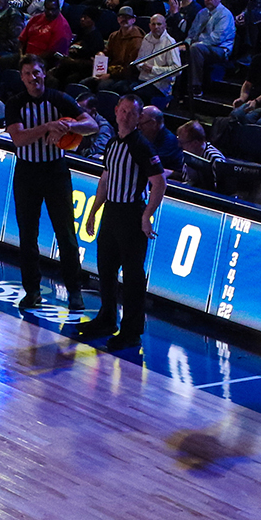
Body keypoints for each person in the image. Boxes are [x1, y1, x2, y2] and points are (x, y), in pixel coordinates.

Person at [74, 92, 166, 350]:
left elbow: (159, 182)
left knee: (133, 276)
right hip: (112, 212)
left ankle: (131, 331)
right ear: (115, 112)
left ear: (138, 118)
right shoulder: (113, 144)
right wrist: (94, 211)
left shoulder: (141, 146)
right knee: (105, 268)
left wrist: (146, 215)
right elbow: (106, 178)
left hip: (131, 214)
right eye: (122, 111)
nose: (125, 116)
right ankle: (107, 318)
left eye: (131, 113)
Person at [5, 55, 96, 312]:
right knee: (27, 235)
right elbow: (19, 139)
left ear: (43, 73)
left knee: (66, 234)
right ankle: (32, 291)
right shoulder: (16, 103)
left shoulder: (58, 99)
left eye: (36, 72)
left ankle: (75, 292)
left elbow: (92, 125)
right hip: (27, 172)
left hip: (55, 170)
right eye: (27, 74)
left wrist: (68, 126)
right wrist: (48, 126)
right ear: (21, 77)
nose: (32, 78)